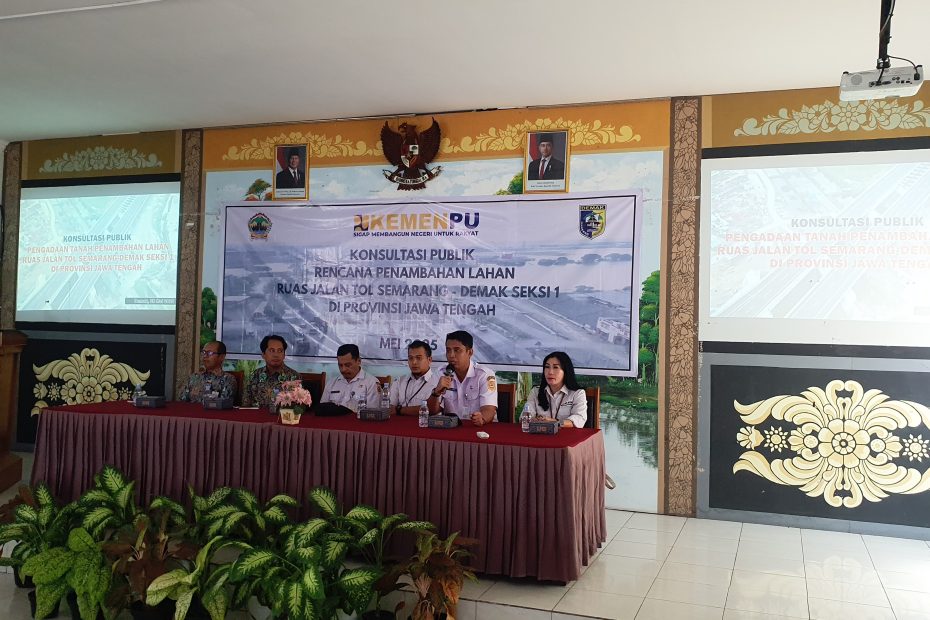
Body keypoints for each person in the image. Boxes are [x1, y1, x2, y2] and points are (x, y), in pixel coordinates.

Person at [427, 330, 497, 425]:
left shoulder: (484, 375)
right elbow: (432, 412)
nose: (451, 355)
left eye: (457, 350)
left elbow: (489, 409)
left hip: (479, 428)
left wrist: (482, 418)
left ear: (470, 352)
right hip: (451, 427)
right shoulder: (441, 373)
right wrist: (436, 393)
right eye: (448, 350)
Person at [523, 351, 588, 428]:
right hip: (541, 433)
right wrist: (535, 420)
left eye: (555, 367)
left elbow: (579, 419)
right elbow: (525, 417)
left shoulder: (577, 393)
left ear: (565, 371)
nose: (550, 372)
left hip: (567, 434)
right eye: (547, 367)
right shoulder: (535, 391)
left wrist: (555, 422)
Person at [243, 334, 300, 407]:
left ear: (284, 355)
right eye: (272, 350)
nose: (276, 355)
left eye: (280, 351)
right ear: (263, 355)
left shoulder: (294, 377)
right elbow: (245, 406)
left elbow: (299, 407)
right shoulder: (254, 376)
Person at [321, 344, 380, 409]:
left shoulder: (371, 383)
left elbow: (373, 412)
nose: (343, 369)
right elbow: (323, 409)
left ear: (359, 361)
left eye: (348, 365)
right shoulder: (331, 383)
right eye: (340, 365)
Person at [389, 340, 439, 416]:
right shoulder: (399, 381)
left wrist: (399, 410)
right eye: (411, 358)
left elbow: (431, 410)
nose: (414, 362)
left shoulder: (437, 383)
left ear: (429, 360)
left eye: (418, 358)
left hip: (424, 422)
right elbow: (390, 408)